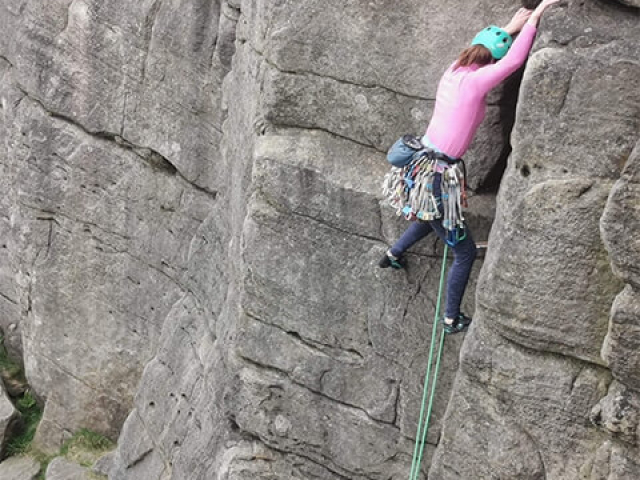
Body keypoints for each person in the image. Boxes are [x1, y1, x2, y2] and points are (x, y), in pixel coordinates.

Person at [379, 0, 561, 334]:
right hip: (435, 177)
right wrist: (534, 18)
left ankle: (394, 253)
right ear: (491, 57)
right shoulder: (476, 82)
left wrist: (507, 28)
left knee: (430, 216)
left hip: (421, 168)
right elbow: (516, 59)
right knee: (462, 251)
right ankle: (451, 318)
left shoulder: (454, 71)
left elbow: (479, 46)